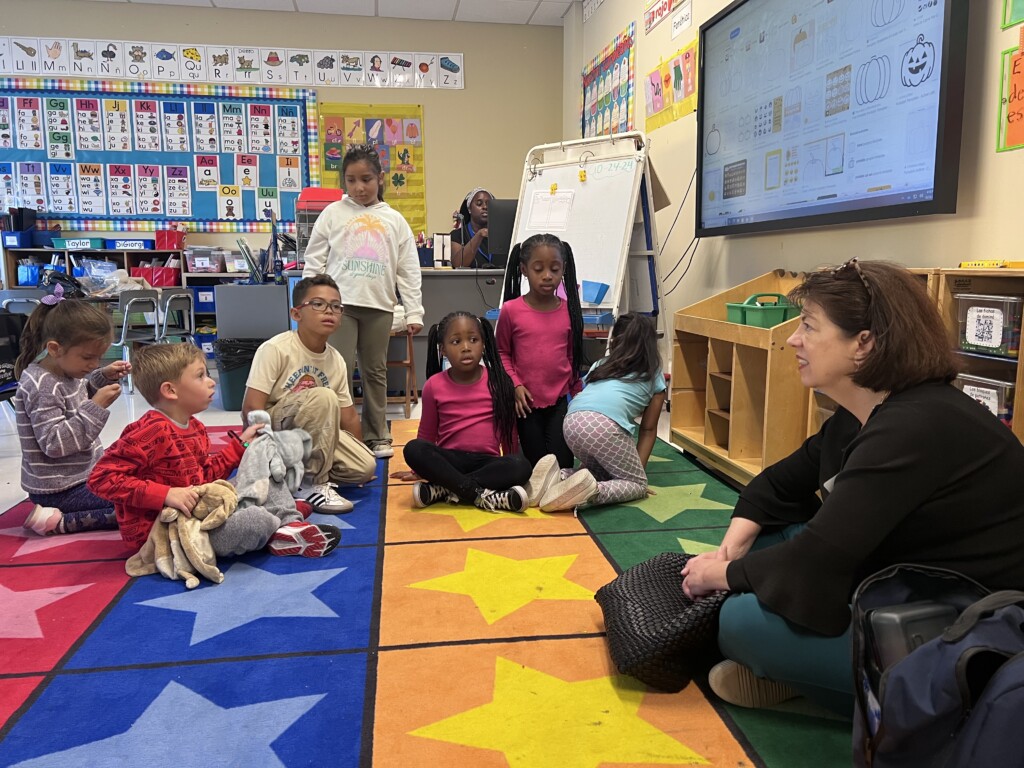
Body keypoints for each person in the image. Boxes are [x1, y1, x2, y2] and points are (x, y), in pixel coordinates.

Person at [680, 259, 1024, 716]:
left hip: (964, 617)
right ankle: (810, 678)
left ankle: (858, 704)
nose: (794, 340)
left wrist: (717, 575)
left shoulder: (915, 426)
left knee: (740, 621)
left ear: (863, 344)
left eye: (808, 327)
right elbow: (778, 484)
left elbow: (820, 554)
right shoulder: (864, 412)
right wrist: (731, 547)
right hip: (894, 573)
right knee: (759, 544)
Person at [88, 343, 341, 559]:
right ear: (170, 390)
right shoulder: (149, 431)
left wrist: (241, 446)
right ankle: (279, 522)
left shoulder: (195, 427)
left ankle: (287, 525)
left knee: (263, 465)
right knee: (254, 521)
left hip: (202, 512)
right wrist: (165, 494)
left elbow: (206, 477)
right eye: (200, 376)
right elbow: (100, 479)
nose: (211, 383)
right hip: (167, 534)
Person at [302, 144, 424, 460]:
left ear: (380, 178)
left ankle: (377, 434)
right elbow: (314, 258)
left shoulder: (394, 220)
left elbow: (407, 268)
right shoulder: (333, 214)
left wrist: (414, 310)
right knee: (338, 369)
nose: (359, 187)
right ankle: (339, 433)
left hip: (380, 306)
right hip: (339, 307)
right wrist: (309, 301)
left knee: (375, 371)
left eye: (366, 179)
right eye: (352, 180)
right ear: (344, 181)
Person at [241, 274, 376, 513]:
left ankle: (291, 475)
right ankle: (312, 484)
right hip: (278, 434)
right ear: (296, 314)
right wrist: (262, 453)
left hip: (315, 434)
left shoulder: (335, 359)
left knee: (364, 466)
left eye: (336, 306)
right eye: (318, 304)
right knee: (323, 396)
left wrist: (360, 451)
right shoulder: (275, 349)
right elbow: (252, 408)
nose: (329, 311)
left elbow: (349, 417)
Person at [14, 291, 129, 536]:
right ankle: (58, 522)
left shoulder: (66, 371)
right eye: (88, 357)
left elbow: (78, 398)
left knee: (138, 478)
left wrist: (102, 376)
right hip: (60, 489)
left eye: (99, 357)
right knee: (135, 506)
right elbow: (55, 444)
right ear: (55, 349)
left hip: (84, 474)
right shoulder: (42, 385)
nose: (94, 364)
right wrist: (96, 407)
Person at [391, 311, 531, 512]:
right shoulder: (434, 385)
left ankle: (445, 489)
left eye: (473, 340)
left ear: (483, 345)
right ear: (443, 350)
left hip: (487, 463)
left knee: (521, 465)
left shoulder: (498, 382)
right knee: (414, 449)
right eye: (456, 342)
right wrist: (417, 469)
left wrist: (510, 464)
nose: (466, 348)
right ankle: (479, 494)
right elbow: (427, 434)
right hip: (450, 461)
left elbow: (509, 432)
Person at [531, 312, 667, 512]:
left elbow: (589, 398)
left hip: (571, 422)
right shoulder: (653, 373)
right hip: (603, 426)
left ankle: (558, 476)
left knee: (602, 471)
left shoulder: (600, 365)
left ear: (614, 340)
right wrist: (638, 474)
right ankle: (588, 492)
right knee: (637, 485)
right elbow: (648, 430)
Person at [497, 233, 584, 469]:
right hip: (525, 404)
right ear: (524, 269)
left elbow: (571, 357)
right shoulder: (511, 310)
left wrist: (578, 395)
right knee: (534, 468)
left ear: (564, 269)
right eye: (538, 269)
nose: (547, 276)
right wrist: (515, 385)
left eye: (555, 269)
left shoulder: (570, 312)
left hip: (559, 402)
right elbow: (502, 353)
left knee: (563, 466)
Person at [450, 188, 501, 269]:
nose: (485, 207)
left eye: (488, 204)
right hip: (468, 281)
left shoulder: (501, 236)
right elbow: (458, 264)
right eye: (479, 204)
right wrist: (479, 235)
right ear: (469, 209)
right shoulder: (458, 235)